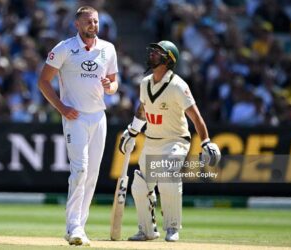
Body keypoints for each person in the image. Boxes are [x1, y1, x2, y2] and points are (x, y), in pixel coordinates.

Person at [119, 40, 221, 242]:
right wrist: (132, 131)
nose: (152, 54)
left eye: (158, 52)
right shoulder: (145, 82)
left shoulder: (178, 85)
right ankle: (147, 230)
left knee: (167, 176)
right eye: (153, 51)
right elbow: (143, 109)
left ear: (169, 59)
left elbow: (196, 116)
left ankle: (173, 227)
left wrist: (206, 141)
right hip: (152, 140)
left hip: (176, 141)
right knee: (139, 185)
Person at [38, 6, 118, 246]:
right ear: (77, 25)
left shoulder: (108, 49)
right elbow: (44, 81)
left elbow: (114, 84)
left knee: (92, 174)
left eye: (95, 21)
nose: (92, 25)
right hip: (75, 117)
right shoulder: (64, 48)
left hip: (98, 117)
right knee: (80, 170)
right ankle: (73, 226)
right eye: (88, 22)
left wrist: (109, 87)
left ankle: (80, 227)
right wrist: (61, 108)